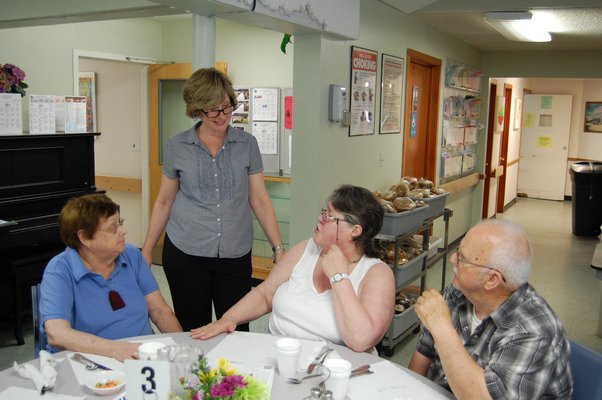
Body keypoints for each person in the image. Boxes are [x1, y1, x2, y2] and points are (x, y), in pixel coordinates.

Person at [141, 68, 284, 332]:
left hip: (235, 252)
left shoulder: (247, 144)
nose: (222, 116)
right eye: (213, 110)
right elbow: (164, 201)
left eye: (227, 107)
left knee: (237, 328)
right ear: (197, 108)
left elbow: (260, 200)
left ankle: (235, 376)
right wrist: (147, 250)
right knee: (193, 329)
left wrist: (278, 248)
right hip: (186, 251)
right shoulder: (177, 146)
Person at [191, 185, 395, 352]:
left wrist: (339, 277)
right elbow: (265, 294)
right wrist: (228, 319)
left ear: (355, 230)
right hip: (275, 356)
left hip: (328, 372)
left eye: (329, 216)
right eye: (323, 212)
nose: (320, 219)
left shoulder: (377, 273)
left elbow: (362, 341)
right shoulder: (306, 249)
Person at [409, 219, 572, 399]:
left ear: (492, 280)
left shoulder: (534, 330)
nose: (452, 259)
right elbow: (424, 352)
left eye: (462, 257)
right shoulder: (459, 292)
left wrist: (441, 327)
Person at [40, 193, 182, 360]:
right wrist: (117, 350)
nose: (123, 231)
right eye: (112, 228)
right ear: (85, 237)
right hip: (89, 361)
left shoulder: (131, 255)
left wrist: (181, 349)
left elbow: (159, 311)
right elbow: (57, 333)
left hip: (139, 357)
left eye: (120, 223)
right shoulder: (59, 270)